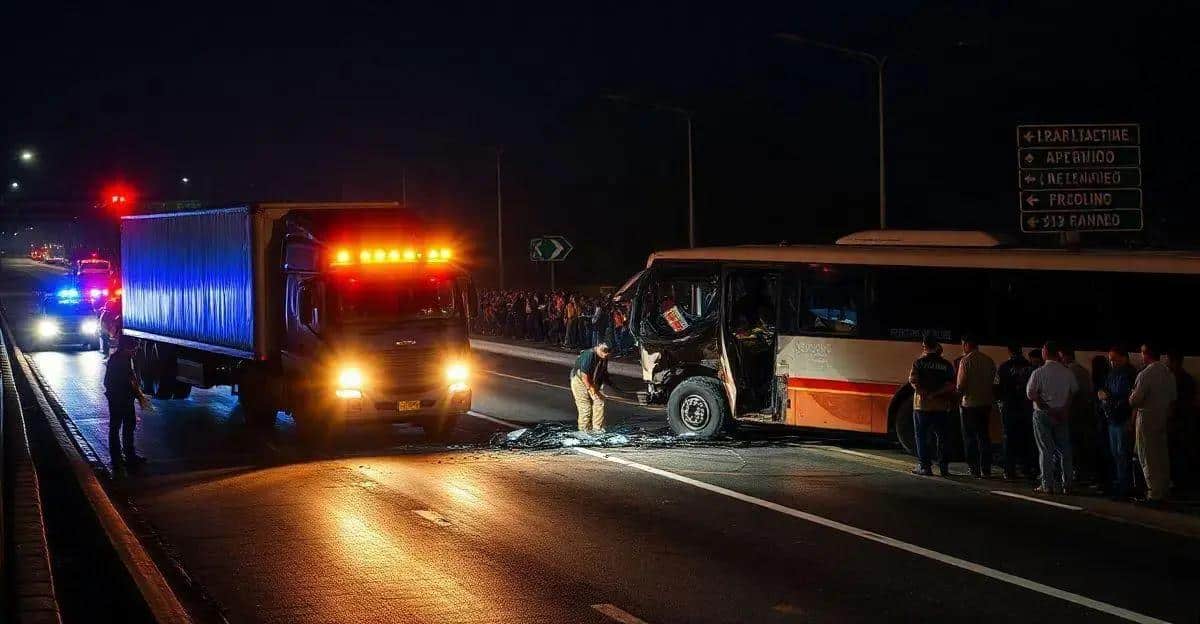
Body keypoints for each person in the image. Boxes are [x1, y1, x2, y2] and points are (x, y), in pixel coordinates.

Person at [1026, 341, 1078, 494]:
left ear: (1045, 352)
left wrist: (1047, 408)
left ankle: (1047, 484)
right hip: (1062, 414)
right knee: (1065, 449)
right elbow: (1073, 391)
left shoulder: (1038, 372)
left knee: (1045, 450)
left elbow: (1031, 394)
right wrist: (1064, 409)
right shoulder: (1067, 372)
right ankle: (1067, 484)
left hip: (1042, 415)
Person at [1129, 343, 1176, 504]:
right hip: (1162, 417)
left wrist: (1131, 397)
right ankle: (1164, 488)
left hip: (1146, 418)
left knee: (1147, 455)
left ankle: (1153, 493)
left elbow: (1135, 400)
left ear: (1146, 354)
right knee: (1162, 455)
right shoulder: (1168, 373)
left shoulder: (1145, 374)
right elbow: (1172, 399)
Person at [908, 335, 957, 477]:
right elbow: (950, 385)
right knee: (943, 437)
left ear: (924, 346)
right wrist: (936, 394)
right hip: (941, 407)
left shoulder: (918, 363)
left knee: (922, 436)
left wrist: (927, 394)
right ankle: (943, 467)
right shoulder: (946, 365)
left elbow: (914, 382)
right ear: (937, 346)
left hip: (922, 406)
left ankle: (925, 467)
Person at [103, 335, 148, 466]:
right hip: (119, 398)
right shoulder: (118, 361)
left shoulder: (123, 358)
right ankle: (120, 457)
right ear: (125, 348)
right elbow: (120, 382)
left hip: (123, 397)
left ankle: (127, 455)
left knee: (126, 426)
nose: (134, 351)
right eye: (132, 348)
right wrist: (137, 395)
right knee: (117, 426)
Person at [1098, 348, 1137, 498]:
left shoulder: (1129, 374)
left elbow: (1127, 399)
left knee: (1123, 454)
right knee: (1116, 454)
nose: (1112, 362)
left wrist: (1109, 400)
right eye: (1110, 359)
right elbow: (1103, 391)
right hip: (1112, 419)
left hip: (1122, 419)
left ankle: (1125, 486)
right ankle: (1121, 484)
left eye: (1114, 359)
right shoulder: (1112, 373)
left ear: (1124, 357)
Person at [957, 334, 996, 477]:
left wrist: (957, 397)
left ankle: (973, 468)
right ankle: (986, 469)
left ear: (967, 345)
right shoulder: (989, 360)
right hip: (985, 403)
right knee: (984, 436)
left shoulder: (965, 361)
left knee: (970, 437)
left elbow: (961, 385)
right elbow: (993, 380)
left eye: (963, 344)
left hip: (969, 404)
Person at [995, 343, 1036, 480]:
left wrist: (1000, 401)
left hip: (1009, 406)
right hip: (1027, 407)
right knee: (1027, 438)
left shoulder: (1004, 367)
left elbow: (997, 387)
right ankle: (1028, 468)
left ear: (1009, 351)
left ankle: (1009, 470)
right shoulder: (1031, 367)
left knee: (1009, 438)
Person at [1165, 350, 1197, 488]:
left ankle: (1177, 483)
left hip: (1177, 422)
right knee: (1181, 453)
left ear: (1174, 362)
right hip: (1185, 421)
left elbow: (1173, 402)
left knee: (1175, 453)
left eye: (1168, 361)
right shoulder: (1188, 379)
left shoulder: (1173, 379)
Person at [1063, 348, 1095, 483]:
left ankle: (1075, 472)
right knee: (1082, 443)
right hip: (1085, 411)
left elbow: (1069, 392)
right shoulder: (1084, 370)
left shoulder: (1068, 371)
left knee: (1071, 443)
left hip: (1072, 412)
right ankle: (1084, 471)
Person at [571, 343, 611, 433]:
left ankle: (597, 429)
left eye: (608, 353)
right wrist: (592, 390)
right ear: (598, 347)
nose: (605, 355)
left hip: (592, 380)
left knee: (599, 401)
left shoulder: (604, 358)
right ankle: (584, 431)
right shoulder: (588, 355)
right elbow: (584, 377)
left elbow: (603, 372)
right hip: (580, 381)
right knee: (585, 408)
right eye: (604, 352)